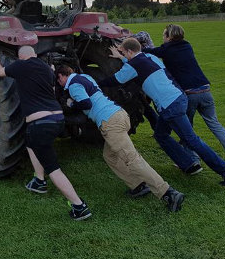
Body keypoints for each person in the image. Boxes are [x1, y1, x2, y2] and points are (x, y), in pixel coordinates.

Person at [101, 38, 225, 187]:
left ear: (129, 51)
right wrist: (122, 57)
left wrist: (95, 83)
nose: (123, 53)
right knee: (161, 135)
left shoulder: (133, 66)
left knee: (192, 139)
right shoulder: (150, 57)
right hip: (179, 98)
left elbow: (116, 79)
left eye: (123, 51)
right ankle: (189, 164)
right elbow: (138, 65)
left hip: (170, 105)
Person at [56, 65, 185, 212]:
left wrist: (71, 103)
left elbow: (86, 103)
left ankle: (168, 193)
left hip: (110, 122)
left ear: (62, 76)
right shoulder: (85, 77)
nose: (59, 83)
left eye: (58, 80)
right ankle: (138, 185)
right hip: (120, 114)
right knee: (109, 155)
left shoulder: (73, 85)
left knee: (132, 159)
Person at [0, 46, 91, 220]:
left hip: (40, 123)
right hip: (58, 119)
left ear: (22, 57)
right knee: (30, 142)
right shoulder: (47, 68)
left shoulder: (21, 65)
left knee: (54, 168)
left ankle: (78, 206)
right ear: (34, 55)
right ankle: (39, 180)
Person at [143, 24, 225, 171]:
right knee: (215, 125)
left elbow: (146, 52)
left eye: (164, 35)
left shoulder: (166, 49)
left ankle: (193, 160)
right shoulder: (187, 46)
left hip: (190, 94)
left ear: (169, 36)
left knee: (187, 131)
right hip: (205, 90)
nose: (163, 38)